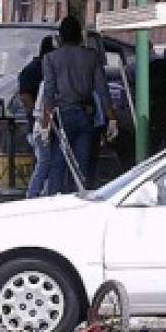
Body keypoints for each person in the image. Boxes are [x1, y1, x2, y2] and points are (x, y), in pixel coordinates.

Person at [41, 16, 115, 195]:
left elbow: (49, 93)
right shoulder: (91, 57)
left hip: (61, 116)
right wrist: (112, 118)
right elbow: (102, 90)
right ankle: (81, 200)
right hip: (85, 114)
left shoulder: (50, 58)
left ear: (60, 37)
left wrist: (45, 124)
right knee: (82, 166)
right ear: (80, 36)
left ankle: (54, 202)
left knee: (57, 164)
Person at [19, 36, 55, 199]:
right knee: (45, 163)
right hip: (40, 124)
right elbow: (26, 98)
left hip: (41, 123)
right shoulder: (36, 71)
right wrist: (39, 116)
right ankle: (33, 195)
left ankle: (41, 193)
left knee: (46, 163)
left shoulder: (36, 70)